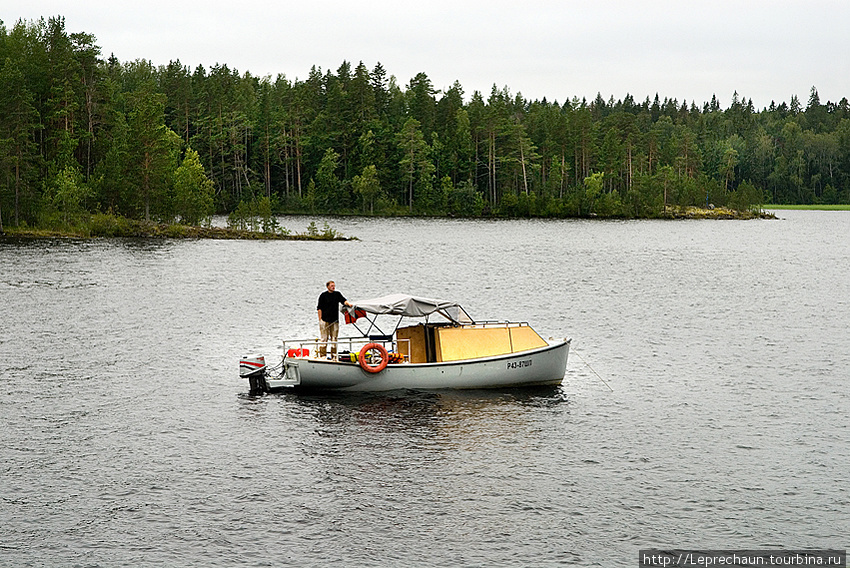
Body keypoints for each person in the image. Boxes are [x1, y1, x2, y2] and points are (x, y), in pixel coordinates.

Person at [316, 280, 352, 358]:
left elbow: (343, 300)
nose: (333, 287)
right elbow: (319, 308)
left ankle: (334, 356)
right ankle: (322, 355)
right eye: (332, 285)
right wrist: (320, 320)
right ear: (328, 286)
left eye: (334, 285)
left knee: (334, 339)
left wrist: (348, 303)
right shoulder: (323, 295)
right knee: (324, 339)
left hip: (335, 320)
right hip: (324, 320)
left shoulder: (337, 294)